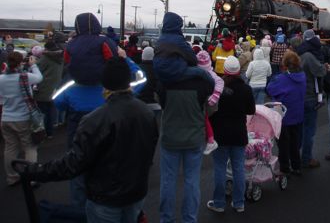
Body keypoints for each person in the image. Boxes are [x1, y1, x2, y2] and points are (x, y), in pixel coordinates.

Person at [23, 57, 159, 223]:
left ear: (104, 82)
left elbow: (74, 163)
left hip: (105, 198)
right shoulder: (146, 113)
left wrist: (37, 171)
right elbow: (149, 150)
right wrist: (125, 58)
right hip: (136, 193)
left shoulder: (95, 119)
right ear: (128, 80)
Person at [157, 14, 215, 223]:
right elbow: (208, 102)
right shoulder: (200, 83)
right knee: (191, 181)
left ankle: (166, 219)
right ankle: (189, 219)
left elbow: (162, 104)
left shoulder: (164, 83)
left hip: (170, 136)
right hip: (193, 137)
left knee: (167, 181)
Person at [207, 56, 255, 213]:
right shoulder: (246, 89)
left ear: (225, 71)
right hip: (239, 133)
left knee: (220, 168)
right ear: (239, 71)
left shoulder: (217, 89)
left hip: (220, 133)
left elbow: (211, 110)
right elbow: (251, 110)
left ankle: (219, 203)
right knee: (239, 168)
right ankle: (239, 202)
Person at [0, 52, 42, 186]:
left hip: (6, 118)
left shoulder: (1, 79)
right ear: (20, 63)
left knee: (10, 148)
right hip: (23, 118)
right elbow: (39, 78)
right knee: (29, 148)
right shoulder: (25, 77)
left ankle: (12, 177)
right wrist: (34, 65)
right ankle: (31, 178)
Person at [267, 50, 306, 174]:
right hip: (298, 114)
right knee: (295, 142)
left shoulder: (282, 79)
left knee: (283, 144)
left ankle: (285, 168)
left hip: (283, 116)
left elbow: (270, 89)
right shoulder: (302, 77)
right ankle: (296, 166)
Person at [296, 29, 328, 168]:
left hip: (297, 95)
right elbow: (319, 71)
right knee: (309, 130)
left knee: (298, 128)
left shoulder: (298, 53)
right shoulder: (309, 56)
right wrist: (325, 67)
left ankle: (294, 156)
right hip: (309, 95)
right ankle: (307, 158)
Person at [33, 41, 64, 139]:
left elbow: (36, 70)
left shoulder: (45, 58)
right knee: (52, 111)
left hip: (43, 89)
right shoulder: (61, 57)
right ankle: (50, 132)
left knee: (43, 112)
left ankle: (43, 132)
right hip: (55, 88)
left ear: (46, 49)